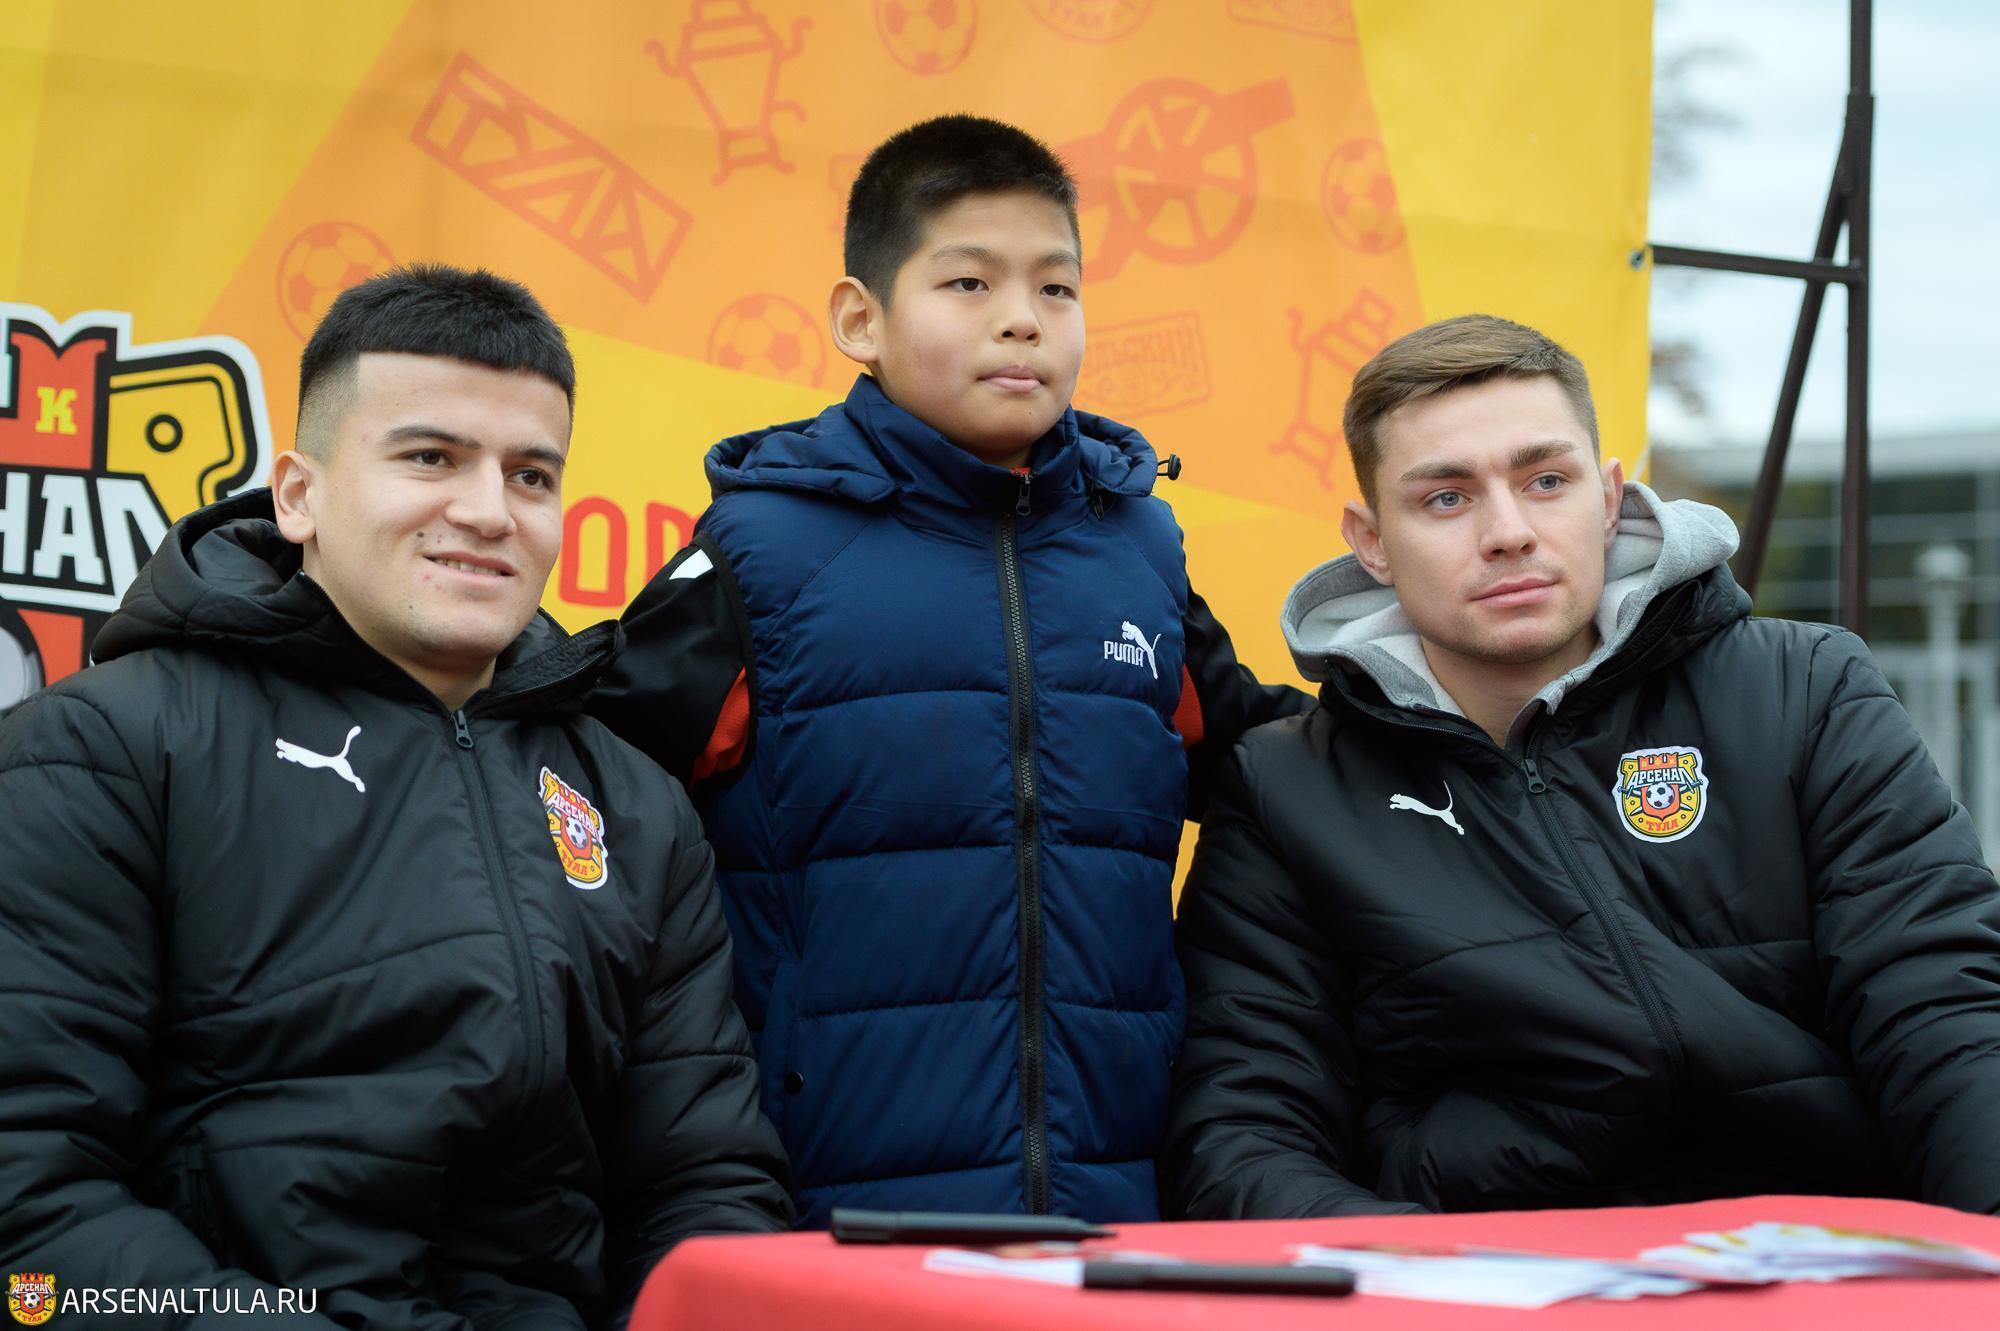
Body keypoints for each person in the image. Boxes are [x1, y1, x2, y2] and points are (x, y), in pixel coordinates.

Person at [0, 265, 792, 1328]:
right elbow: (30, 1214)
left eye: (530, 475)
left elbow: (704, 1189)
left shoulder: (635, 808)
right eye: (430, 457)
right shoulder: (105, 748)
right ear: (299, 494)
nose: (487, 511)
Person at [591, 115, 1304, 1224]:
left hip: (1112, 1201)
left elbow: (1276, 769)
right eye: (969, 282)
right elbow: (593, 817)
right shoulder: (757, 553)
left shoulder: (1139, 551)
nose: (1023, 318)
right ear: (860, 319)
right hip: (823, 1209)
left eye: (1056, 288)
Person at [1162, 313, 2000, 1219]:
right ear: (1371, 541)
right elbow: (1243, 1136)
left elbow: (1946, 1013)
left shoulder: (1805, 686)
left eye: (1546, 481)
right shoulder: (1285, 790)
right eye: (1446, 498)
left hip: (1828, 1260)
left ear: (1608, 498)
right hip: (1481, 1276)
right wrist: (1449, 1284)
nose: (1508, 532)